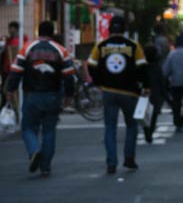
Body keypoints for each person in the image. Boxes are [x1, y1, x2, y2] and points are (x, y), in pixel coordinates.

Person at [5, 20, 74, 178]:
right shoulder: (61, 50)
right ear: (52, 33)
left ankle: (34, 150)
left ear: (39, 33)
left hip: (31, 95)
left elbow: (16, 71)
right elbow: (69, 76)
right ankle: (45, 167)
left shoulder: (27, 48)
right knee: (49, 130)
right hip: (53, 95)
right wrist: (68, 96)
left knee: (28, 128)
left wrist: (10, 89)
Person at [86, 15, 148, 175]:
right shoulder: (133, 46)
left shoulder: (101, 46)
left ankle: (111, 163)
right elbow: (142, 68)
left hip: (109, 91)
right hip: (129, 91)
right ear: (125, 29)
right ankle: (129, 158)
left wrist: (99, 82)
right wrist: (145, 86)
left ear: (109, 29)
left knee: (110, 127)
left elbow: (91, 65)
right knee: (132, 125)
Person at [142, 43, 166, 144]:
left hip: (144, 93)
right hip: (156, 93)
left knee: (144, 114)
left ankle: (146, 131)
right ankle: (150, 133)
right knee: (154, 115)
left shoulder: (142, 65)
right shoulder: (157, 66)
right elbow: (161, 82)